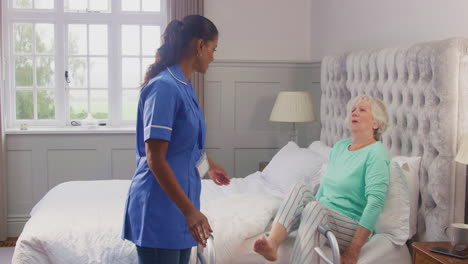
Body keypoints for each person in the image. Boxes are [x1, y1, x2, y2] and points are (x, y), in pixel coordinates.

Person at [122, 15, 230, 264]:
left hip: (180, 206)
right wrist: (191, 212)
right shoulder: (164, 88)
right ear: (199, 45)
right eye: (213, 49)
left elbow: (185, 146)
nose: (214, 56)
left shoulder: (184, 86)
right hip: (160, 207)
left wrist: (209, 167)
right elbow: (155, 158)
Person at [254, 95, 390, 264]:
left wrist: (353, 251)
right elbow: (325, 188)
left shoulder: (376, 153)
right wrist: (311, 213)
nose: (355, 113)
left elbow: (375, 202)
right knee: (300, 189)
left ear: (376, 123)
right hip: (325, 215)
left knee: (315, 208)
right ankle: (273, 242)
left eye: (362, 110)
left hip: (350, 224)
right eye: (353, 109)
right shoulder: (340, 147)